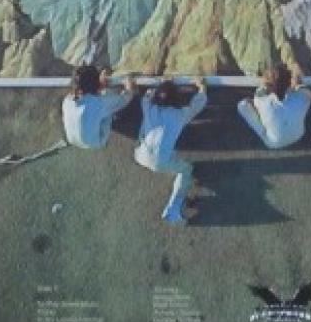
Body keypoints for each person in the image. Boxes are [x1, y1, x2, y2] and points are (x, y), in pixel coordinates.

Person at [134, 77, 208, 226]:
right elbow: (197, 104)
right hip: (160, 162)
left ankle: (166, 159)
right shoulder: (179, 114)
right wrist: (202, 87)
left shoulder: (148, 107)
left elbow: (147, 95)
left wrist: (162, 83)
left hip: (140, 155)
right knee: (186, 170)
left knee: (153, 140)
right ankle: (173, 209)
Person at [236, 64, 311, 149]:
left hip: (273, 142)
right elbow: (303, 89)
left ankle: (266, 123)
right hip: (298, 135)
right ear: (289, 82)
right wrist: (298, 83)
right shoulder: (302, 97)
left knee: (243, 105)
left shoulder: (261, 98)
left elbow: (263, 88)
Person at [62, 64, 135, 149]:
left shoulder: (67, 100)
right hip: (96, 141)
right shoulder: (98, 103)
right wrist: (129, 84)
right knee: (109, 101)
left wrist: (99, 86)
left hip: (72, 140)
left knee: (99, 107)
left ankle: (103, 94)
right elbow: (125, 99)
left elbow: (90, 100)